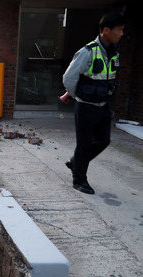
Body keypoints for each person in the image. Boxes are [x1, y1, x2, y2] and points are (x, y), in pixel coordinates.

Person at [62, 11, 126, 195]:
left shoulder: (114, 52)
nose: (122, 34)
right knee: (83, 143)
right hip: (86, 106)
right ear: (106, 30)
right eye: (119, 30)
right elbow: (69, 77)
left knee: (103, 140)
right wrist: (77, 96)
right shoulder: (88, 52)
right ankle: (79, 179)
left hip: (103, 105)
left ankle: (76, 163)